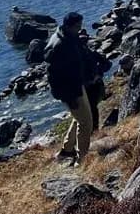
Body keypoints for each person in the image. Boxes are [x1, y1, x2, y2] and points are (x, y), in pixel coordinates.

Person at [45, 12, 93, 165]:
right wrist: (70, 98)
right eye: (77, 26)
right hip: (71, 91)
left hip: (76, 86)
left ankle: (67, 149)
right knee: (86, 123)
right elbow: (58, 77)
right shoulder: (61, 46)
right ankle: (82, 158)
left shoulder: (65, 37)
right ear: (68, 26)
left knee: (79, 118)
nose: (80, 29)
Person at [77, 28, 112, 131]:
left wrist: (98, 74)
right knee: (88, 109)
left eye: (84, 39)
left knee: (91, 108)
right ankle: (92, 130)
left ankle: (94, 130)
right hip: (83, 87)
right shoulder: (77, 55)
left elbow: (107, 64)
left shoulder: (91, 53)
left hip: (92, 86)